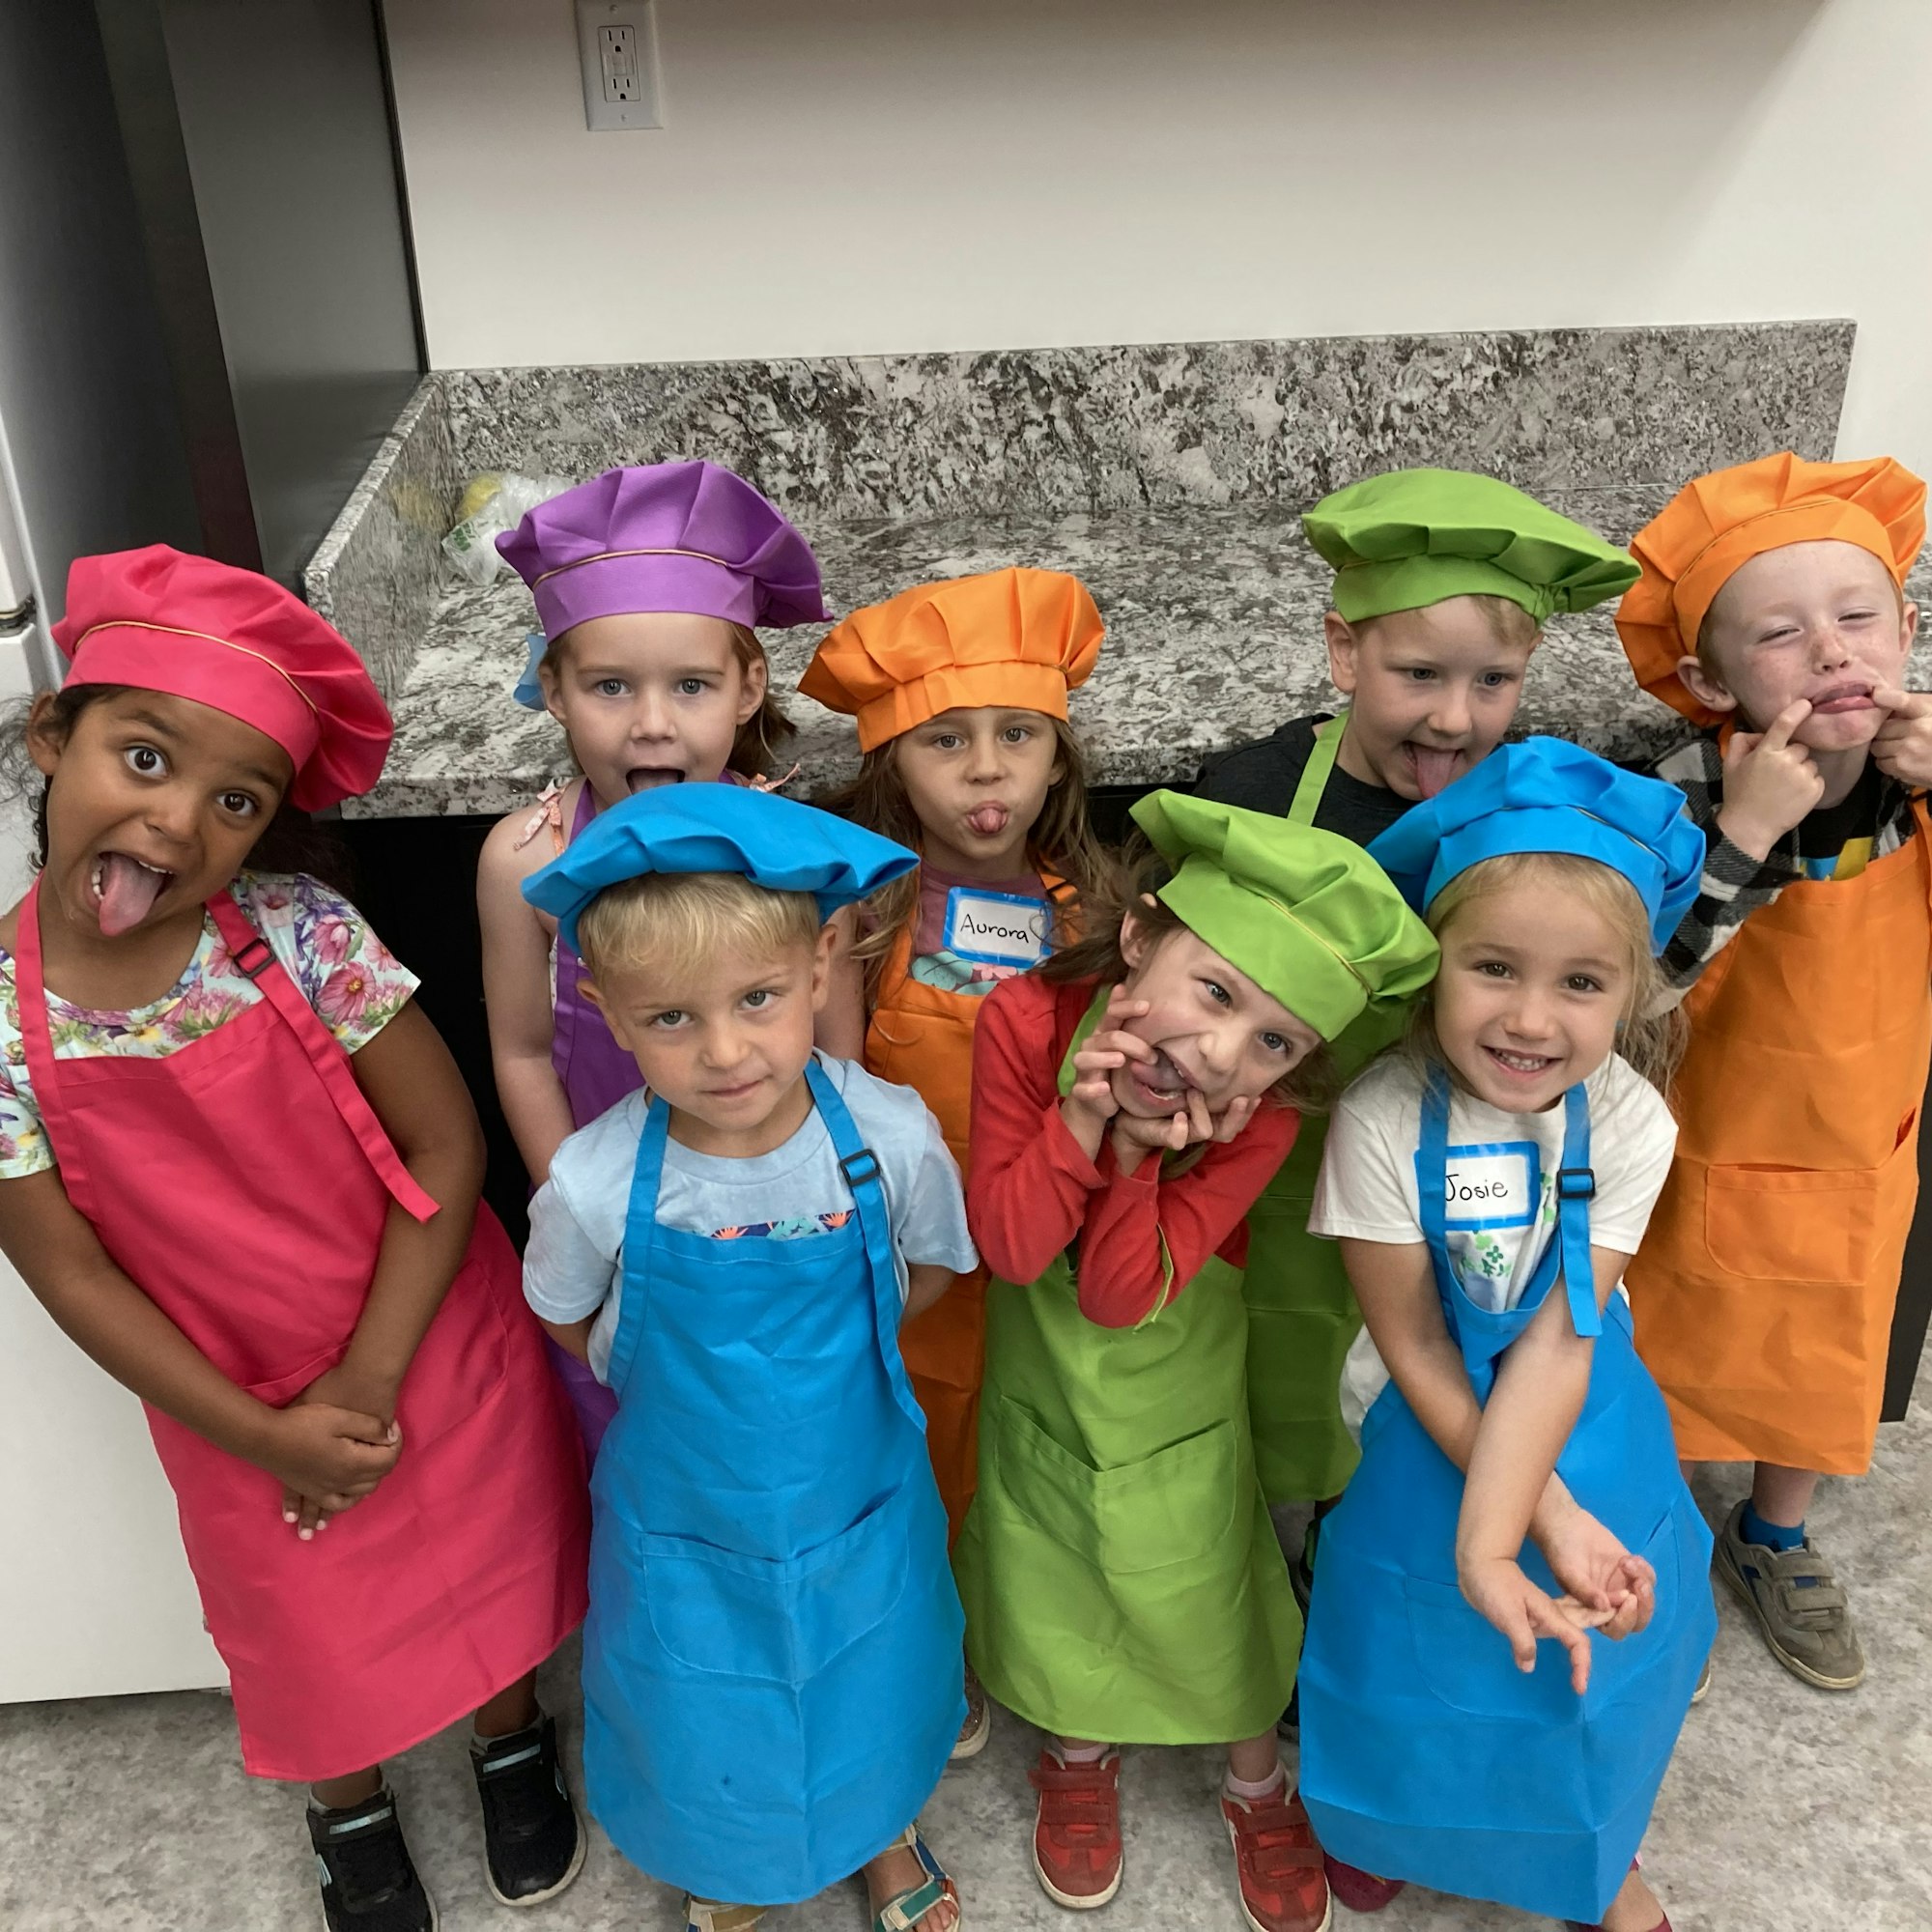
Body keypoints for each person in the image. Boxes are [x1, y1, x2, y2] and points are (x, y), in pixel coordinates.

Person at [0, 547, 590, 1932]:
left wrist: (375, 1376)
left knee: (480, 1556)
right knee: (299, 1627)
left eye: (234, 801)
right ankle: (349, 1811)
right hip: (227, 1391)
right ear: (50, 737)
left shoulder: (304, 932)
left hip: (422, 1327)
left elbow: (445, 1151)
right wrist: (261, 1429)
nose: (176, 822)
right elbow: (65, 1267)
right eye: (142, 760)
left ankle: (511, 1738)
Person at [955, 790, 1437, 1932]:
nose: (1220, 1051)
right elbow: (1014, 1247)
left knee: (1204, 1560)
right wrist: (1076, 1126)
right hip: (1035, 1372)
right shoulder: (1021, 1023)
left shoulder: (1257, 1117)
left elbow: (1123, 1295)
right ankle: (1077, 1748)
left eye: (1274, 1040)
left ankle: (1251, 1776)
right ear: (1137, 937)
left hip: (1174, 1364)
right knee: (1055, 1549)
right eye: (1214, 992)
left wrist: (1129, 1155)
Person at [518, 783, 977, 1932]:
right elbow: (569, 1317)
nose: (724, 1050)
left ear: (818, 973)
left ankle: (877, 1826)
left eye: (758, 998)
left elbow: (924, 1273)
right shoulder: (590, 1180)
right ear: (610, 1016)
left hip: (855, 1489)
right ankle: (720, 1847)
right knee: (698, 1696)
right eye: (670, 1018)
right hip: (686, 1511)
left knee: (867, 1666)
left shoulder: (890, 1136)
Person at [1297, 739, 1716, 1932]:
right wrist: (1509, 1532)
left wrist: (1554, 1514)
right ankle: (1382, 1823)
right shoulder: (1381, 1117)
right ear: (1433, 964)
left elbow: (1554, 1339)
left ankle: (1590, 1854)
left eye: (1580, 982)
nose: (1530, 1019)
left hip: (1584, 1411)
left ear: (1629, 991)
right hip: (1416, 1423)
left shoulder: (1630, 1117)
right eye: (1491, 966)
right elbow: (1422, 1345)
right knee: (1408, 1656)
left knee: (1584, 1672)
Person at [1196, 468, 1640, 1586]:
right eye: (1416, 674)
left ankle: (1404, 1551)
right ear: (1344, 654)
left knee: (1428, 1377)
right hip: (1275, 1162)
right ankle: (1289, 1556)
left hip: (1458, 1168)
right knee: (1283, 1384)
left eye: (1494, 679)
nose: (1455, 716)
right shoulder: (1249, 792)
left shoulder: (1528, 810)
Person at [1614, 452, 1932, 1691]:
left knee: (1829, 1338)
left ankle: (1774, 1531)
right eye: (1779, 633)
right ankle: (1661, 1529)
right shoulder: (1673, 798)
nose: (1829, 651)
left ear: (1904, 627)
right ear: (1706, 676)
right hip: (1700, 1138)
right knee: (1670, 1345)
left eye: (1857, 617)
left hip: (1863, 1142)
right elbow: (1637, 979)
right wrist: (1741, 835)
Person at [477, 459, 826, 1456]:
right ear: (552, 687)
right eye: (609, 685)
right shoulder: (524, 859)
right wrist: (582, 1211)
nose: (652, 721)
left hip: (780, 1213)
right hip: (615, 1221)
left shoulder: (785, 844)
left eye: (690, 684)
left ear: (747, 684)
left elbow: (833, 1041)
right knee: (637, 1435)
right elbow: (521, 1052)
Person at [799, 565, 1110, 1563]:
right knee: (925, 1442)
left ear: (1058, 761)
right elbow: (835, 1084)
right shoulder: (858, 911)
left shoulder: (1091, 916)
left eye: (1016, 734)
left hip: (1050, 1242)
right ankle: (943, 1632)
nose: (986, 770)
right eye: (946, 739)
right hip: (912, 1245)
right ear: (892, 765)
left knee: (1042, 1448)